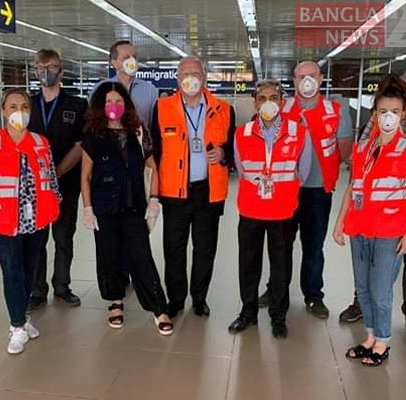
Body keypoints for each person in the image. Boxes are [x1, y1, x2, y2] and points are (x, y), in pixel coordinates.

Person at [338, 64, 406, 340]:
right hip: (374, 210)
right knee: (370, 269)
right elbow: (361, 166)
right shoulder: (380, 118)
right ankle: (362, 304)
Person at [0, 89, 61, 354]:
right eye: (13, 106)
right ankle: (17, 325)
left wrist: (55, 206)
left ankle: (22, 315)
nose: (19, 111)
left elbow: (51, 178)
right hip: (3, 222)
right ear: (3, 111)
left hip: (36, 221)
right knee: (12, 271)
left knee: (29, 270)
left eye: (24, 106)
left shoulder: (40, 142)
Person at [259, 60, 353, 318]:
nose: (307, 81)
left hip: (318, 191)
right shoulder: (282, 107)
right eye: (302, 77)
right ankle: (275, 289)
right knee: (281, 244)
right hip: (285, 189)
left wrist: (324, 168)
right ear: (295, 80)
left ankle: (313, 295)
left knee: (313, 246)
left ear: (320, 79)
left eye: (312, 75)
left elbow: (344, 149)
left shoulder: (336, 110)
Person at [80, 82, 173, 336]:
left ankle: (158, 308)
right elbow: (85, 177)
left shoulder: (138, 132)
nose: (114, 106)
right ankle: (115, 301)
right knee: (108, 254)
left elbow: (152, 167)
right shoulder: (93, 136)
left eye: (119, 101)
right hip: (104, 207)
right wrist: (88, 208)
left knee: (141, 256)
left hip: (134, 207)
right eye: (109, 101)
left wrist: (154, 199)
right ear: (101, 106)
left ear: (126, 105)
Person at [151, 56, 236, 318]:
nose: (191, 79)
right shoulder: (161, 108)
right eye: (185, 74)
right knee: (174, 248)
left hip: (208, 192)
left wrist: (223, 153)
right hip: (174, 192)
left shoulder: (224, 109)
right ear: (177, 79)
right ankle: (176, 299)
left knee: (205, 248)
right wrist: (153, 193)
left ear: (204, 77)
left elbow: (233, 148)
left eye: (196, 73)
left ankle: (199, 298)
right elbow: (155, 151)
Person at [229, 80, 306, 338]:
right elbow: (242, 169)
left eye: (273, 97)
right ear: (255, 103)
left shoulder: (298, 132)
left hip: (283, 211)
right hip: (250, 209)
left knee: (280, 265)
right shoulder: (242, 133)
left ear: (282, 102)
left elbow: (303, 172)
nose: (268, 103)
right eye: (262, 98)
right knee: (248, 263)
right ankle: (248, 312)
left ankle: (278, 316)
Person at [27, 49, 87, 310]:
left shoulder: (77, 105)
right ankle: (37, 289)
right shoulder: (27, 105)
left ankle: (62, 286)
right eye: (40, 67)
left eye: (51, 67)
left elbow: (80, 145)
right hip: (33, 186)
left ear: (61, 72)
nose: (45, 72)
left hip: (66, 182)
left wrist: (57, 173)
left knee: (63, 237)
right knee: (36, 239)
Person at [93, 40, 159, 133]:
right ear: (114, 62)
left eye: (134, 57)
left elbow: (154, 125)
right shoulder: (101, 89)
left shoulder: (150, 90)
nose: (132, 61)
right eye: (126, 57)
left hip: (141, 140)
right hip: (108, 140)